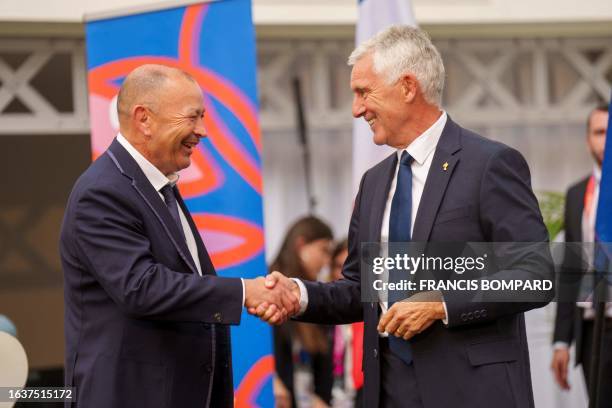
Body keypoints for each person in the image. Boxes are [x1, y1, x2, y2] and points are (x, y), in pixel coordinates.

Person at [255, 26, 554, 407]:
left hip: (472, 391)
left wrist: (440, 302)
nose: (356, 109)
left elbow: (536, 274)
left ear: (408, 87)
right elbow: (357, 289)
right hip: (389, 391)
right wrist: (297, 296)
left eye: (364, 92)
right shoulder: (374, 182)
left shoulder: (489, 165)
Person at [59, 64, 298, 408]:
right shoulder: (102, 192)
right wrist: (245, 291)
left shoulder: (159, 187)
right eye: (193, 117)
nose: (202, 131)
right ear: (144, 119)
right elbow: (141, 287)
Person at [551, 104, 610, 404]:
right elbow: (571, 270)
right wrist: (561, 341)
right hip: (593, 331)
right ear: (588, 140)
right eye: (600, 132)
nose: (607, 139)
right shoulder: (576, 194)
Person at [272, 216, 334, 408]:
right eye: (323, 250)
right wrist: (270, 379)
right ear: (301, 244)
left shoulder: (316, 296)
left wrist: (321, 399)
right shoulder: (267, 287)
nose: (325, 262)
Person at [329, 239, 364, 408]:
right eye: (338, 266)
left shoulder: (373, 316)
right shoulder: (322, 318)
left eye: (351, 268)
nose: (344, 274)